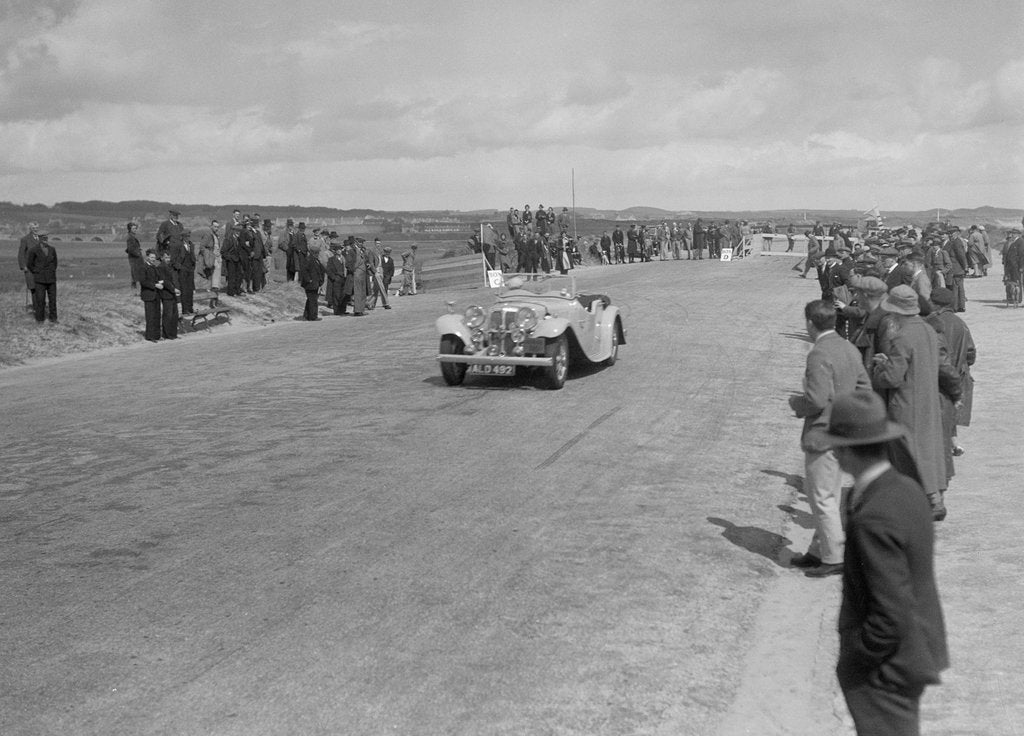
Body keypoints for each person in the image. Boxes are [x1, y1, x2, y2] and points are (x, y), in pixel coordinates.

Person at [820, 390, 948, 736]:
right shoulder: (908, 489)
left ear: (845, 451)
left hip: (886, 670)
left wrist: (854, 655)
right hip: (913, 654)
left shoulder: (873, 515)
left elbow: (889, 616)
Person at [788, 300, 871, 577]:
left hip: (823, 433)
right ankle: (818, 550)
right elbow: (864, 388)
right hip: (844, 433)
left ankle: (834, 557)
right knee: (830, 496)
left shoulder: (818, 353)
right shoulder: (848, 347)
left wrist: (796, 403)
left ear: (810, 323)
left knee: (821, 497)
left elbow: (815, 399)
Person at [871, 285, 947, 519]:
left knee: (909, 454)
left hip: (906, 402)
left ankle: (926, 502)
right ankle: (935, 498)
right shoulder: (928, 329)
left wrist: (879, 369)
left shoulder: (902, 336)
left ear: (895, 311)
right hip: (927, 398)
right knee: (929, 449)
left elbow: (892, 378)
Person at [26, 233, 58, 323]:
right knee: (40, 300)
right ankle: (40, 319)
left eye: (46, 238)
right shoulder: (33, 250)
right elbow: (30, 264)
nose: (45, 240)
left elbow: (55, 263)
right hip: (40, 279)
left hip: (51, 279)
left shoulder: (52, 249)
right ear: (39, 239)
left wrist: (51, 270)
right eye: (43, 238)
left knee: (53, 300)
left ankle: (53, 318)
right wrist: (37, 271)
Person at [139, 249, 163, 342]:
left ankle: (157, 335)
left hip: (156, 294)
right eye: (152, 257)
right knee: (150, 316)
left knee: (157, 315)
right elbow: (143, 282)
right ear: (147, 257)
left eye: (154, 258)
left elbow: (157, 278)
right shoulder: (143, 267)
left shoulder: (154, 267)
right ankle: (150, 336)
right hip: (148, 295)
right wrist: (155, 285)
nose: (153, 259)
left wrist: (160, 282)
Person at [170, 230, 196, 315]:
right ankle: (185, 309)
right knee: (184, 290)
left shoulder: (191, 245)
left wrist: (193, 266)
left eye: (189, 236)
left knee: (190, 289)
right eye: (186, 236)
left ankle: (190, 308)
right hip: (182, 270)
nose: (188, 238)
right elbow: (173, 259)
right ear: (183, 237)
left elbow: (192, 256)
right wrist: (179, 267)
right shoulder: (178, 245)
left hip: (190, 269)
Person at [943, 226, 968, 312]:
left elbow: (961, 256)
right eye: (949, 233)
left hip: (956, 268)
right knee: (959, 287)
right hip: (957, 268)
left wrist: (965, 266)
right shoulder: (953, 242)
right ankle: (960, 306)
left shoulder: (956, 242)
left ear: (957, 233)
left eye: (952, 233)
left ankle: (956, 307)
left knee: (956, 288)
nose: (950, 235)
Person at [157, 251, 180, 339]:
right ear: (162, 258)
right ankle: (167, 334)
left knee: (174, 314)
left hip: (172, 294)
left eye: (169, 257)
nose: (168, 259)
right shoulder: (161, 267)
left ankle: (173, 333)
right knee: (168, 315)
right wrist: (173, 289)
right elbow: (164, 281)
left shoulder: (168, 266)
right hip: (166, 294)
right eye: (166, 257)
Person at [299, 242, 324, 320]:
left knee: (311, 300)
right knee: (313, 301)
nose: (318, 254)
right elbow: (304, 271)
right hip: (310, 284)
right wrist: (309, 280)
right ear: (313, 253)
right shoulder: (309, 259)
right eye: (317, 253)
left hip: (315, 283)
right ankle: (313, 317)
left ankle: (306, 315)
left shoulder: (316, 260)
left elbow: (321, 270)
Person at [18, 222, 41, 299]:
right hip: (29, 268)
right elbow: (21, 254)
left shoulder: (41, 239)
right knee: (33, 288)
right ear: (30, 229)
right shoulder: (25, 239)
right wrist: (23, 266)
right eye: (33, 228)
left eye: (37, 228)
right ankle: (36, 306)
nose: (35, 229)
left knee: (41, 287)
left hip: (40, 268)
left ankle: (41, 305)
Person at [1003, 228, 1024, 307]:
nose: (1013, 234)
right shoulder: (1014, 241)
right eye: (1012, 233)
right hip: (1012, 265)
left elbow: (1021, 255)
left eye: (1014, 233)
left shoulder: (1020, 241)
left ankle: (1018, 299)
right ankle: (1013, 298)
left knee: (1017, 282)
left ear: (1018, 234)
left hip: (1016, 265)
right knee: (1012, 282)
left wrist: (1021, 266)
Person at [196, 219, 219, 291]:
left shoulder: (216, 235)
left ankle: (212, 288)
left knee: (213, 273)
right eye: (215, 226)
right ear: (211, 226)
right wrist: (207, 256)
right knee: (208, 273)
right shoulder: (208, 235)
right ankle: (208, 289)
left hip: (215, 257)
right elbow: (202, 247)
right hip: (209, 257)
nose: (216, 228)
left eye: (217, 227)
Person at [125, 222, 143, 289]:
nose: (135, 230)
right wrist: (137, 253)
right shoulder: (130, 237)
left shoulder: (132, 236)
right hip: (134, 258)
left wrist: (138, 249)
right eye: (133, 228)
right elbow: (130, 249)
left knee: (136, 272)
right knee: (135, 272)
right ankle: (134, 287)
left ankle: (135, 287)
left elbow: (130, 248)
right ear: (130, 229)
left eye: (135, 228)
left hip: (135, 257)